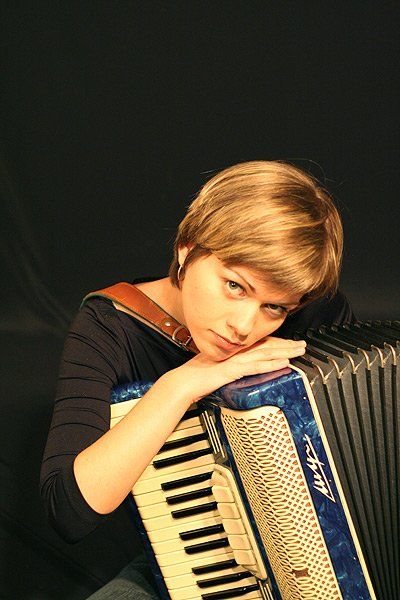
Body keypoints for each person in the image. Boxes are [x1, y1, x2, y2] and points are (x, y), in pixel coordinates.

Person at [40, 160, 354, 599]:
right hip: (196, 559)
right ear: (187, 251)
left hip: (320, 557)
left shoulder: (315, 315)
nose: (244, 326)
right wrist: (180, 385)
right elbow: (70, 511)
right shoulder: (109, 329)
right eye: (235, 286)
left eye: (274, 307)